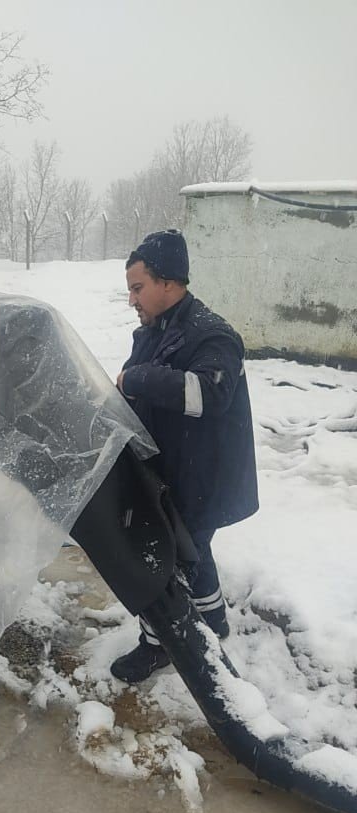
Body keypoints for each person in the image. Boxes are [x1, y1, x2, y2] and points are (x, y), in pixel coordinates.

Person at [110, 229, 258, 683]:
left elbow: (204, 394)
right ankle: (212, 622)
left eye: (138, 287)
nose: (132, 298)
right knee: (192, 553)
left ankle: (158, 645)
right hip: (174, 470)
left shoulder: (212, 335)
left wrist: (134, 380)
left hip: (203, 476)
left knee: (164, 561)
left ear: (169, 282)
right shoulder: (159, 329)